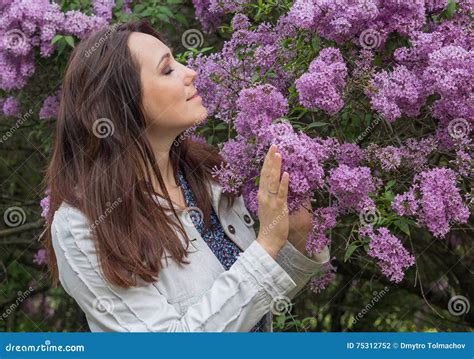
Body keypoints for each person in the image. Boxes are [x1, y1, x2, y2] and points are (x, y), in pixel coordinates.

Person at [41, 19, 329, 332]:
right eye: (167, 69)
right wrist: (268, 244)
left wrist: (295, 237)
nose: (190, 72)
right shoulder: (82, 225)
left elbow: (253, 305)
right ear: (119, 105)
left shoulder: (207, 174)